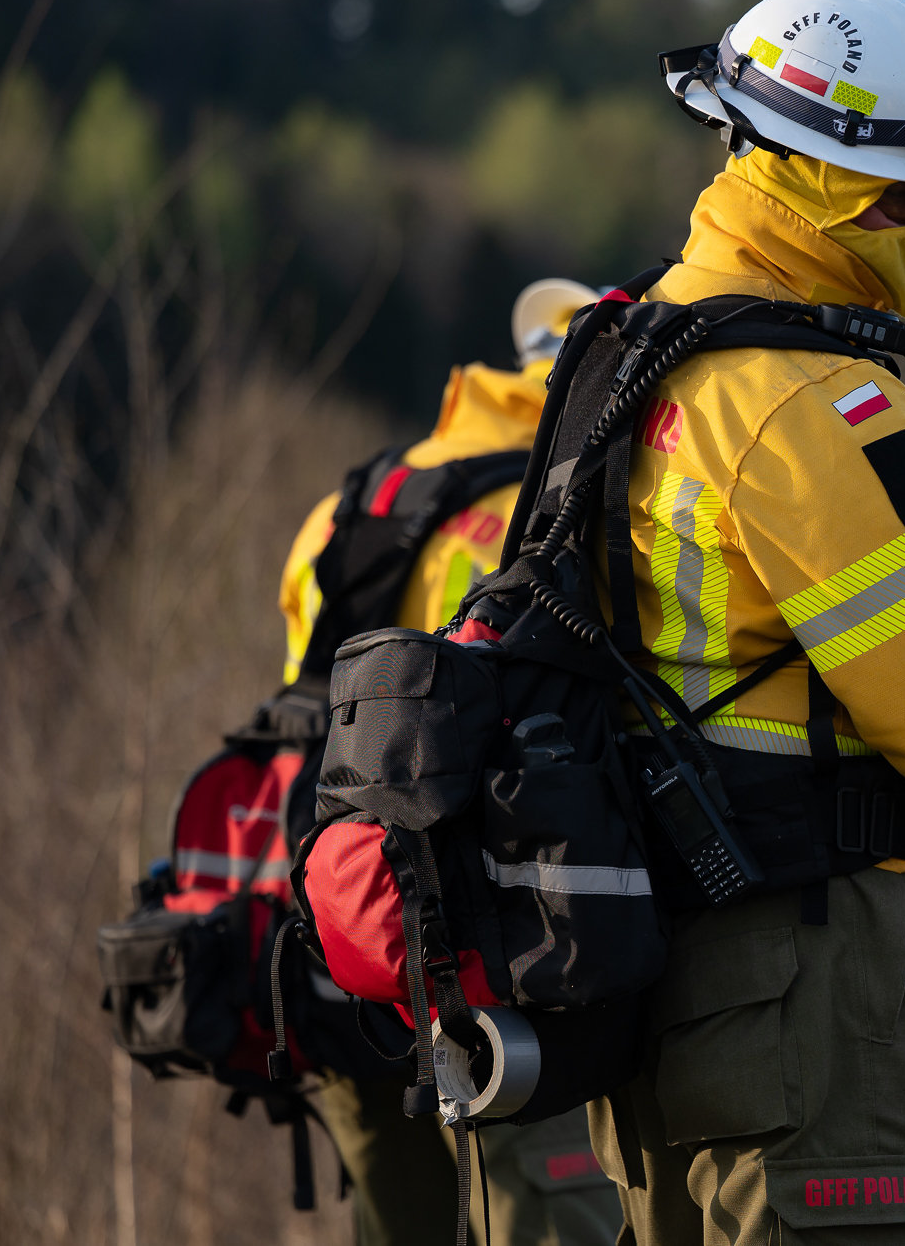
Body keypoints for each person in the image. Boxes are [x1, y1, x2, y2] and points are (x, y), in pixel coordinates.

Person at [586, 0, 905, 1244]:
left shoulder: (630, 353)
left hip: (656, 981)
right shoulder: (805, 401)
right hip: (806, 982)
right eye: (901, 196)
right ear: (806, 178)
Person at [279, 282, 627, 1246]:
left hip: (340, 922)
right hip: (478, 944)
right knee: (538, 1210)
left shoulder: (346, 507)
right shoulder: (547, 505)